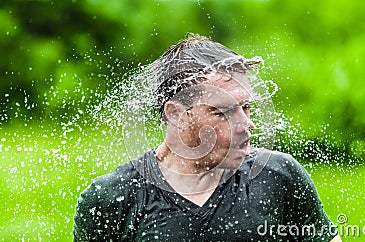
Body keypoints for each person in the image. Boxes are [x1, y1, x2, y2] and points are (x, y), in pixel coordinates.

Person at [73, 35, 341, 241]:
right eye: (222, 111)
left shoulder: (279, 177)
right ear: (176, 114)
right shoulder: (113, 199)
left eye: (246, 107)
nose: (246, 124)